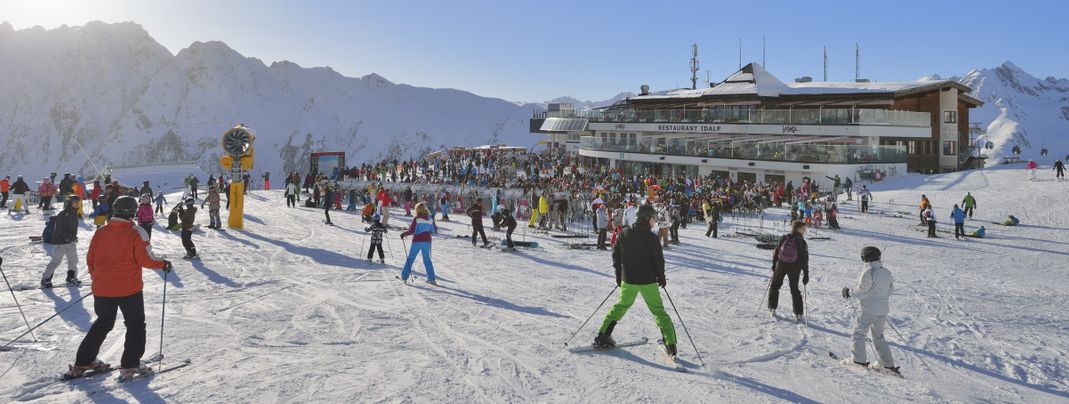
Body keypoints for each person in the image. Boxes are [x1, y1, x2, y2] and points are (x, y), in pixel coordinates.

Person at [65, 195, 172, 380]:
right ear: (132, 211)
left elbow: (90, 259)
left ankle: (84, 361)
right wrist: (163, 264)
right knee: (135, 324)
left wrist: (99, 278)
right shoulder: (136, 231)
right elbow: (146, 260)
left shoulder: (101, 232)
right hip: (128, 289)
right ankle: (130, 364)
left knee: (103, 323)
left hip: (102, 289)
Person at [593, 205, 678, 357]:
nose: (655, 221)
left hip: (629, 280)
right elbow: (658, 261)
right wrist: (661, 276)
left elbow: (616, 257)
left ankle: (603, 335)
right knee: (658, 311)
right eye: (653, 218)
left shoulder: (624, 233)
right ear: (647, 218)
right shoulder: (652, 238)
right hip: (647, 281)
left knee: (621, 306)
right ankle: (670, 344)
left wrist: (619, 275)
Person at [841, 246, 899, 375]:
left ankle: (858, 360)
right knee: (878, 336)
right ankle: (887, 364)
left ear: (864, 257)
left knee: (858, 333)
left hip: (868, 310)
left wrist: (849, 292)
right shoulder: (886, 272)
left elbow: (862, 291)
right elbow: (890, 290)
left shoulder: (868, 272)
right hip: (883, 309)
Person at [768, 221, 810, 321]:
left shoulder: (784, 237)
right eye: (803, 228)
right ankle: (798, 313)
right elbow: (804, 259)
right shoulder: (801, 242)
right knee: (794, 289)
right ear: (798, 229)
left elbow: (776, 251)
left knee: (775, 286)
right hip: (794, 267)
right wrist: (806, 274)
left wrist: (774, 264)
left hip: (781, 265)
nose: (804, 231)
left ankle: (772, 308)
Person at [41, 196, 83, 288]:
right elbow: (60, 229)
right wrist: (68, 238)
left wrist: (72, 238)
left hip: (70, 241)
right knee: (56, 261)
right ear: (70, 203)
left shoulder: (73, 213)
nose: (78, 204)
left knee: (73, 260)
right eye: (76, 202)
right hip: (61, 241)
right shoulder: (65, 213)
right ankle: (46, 278)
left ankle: (71, 278)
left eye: (78, 202)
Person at [400, 202, 438, 285]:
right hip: (427, 241)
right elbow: (433, 230)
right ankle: (431, 278)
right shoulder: (430, 218)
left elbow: (412, 231)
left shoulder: (416, 219)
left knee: (411, 258)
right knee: (427, 260)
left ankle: (404, 277)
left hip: (417, 241)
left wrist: (404, 234)